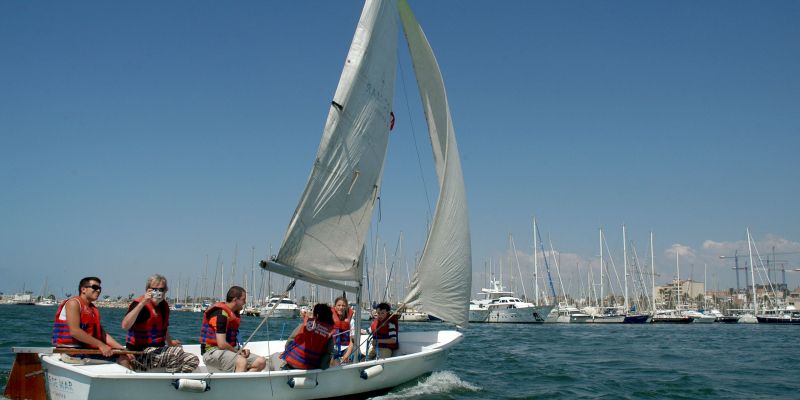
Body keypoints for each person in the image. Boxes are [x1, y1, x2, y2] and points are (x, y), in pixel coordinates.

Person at [121, 274, 199, 373]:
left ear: (166, 291)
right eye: (154, 289)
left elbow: (164, 328)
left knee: (193, 359)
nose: (158, 292)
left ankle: (176, 381)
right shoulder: (140, 306)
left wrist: (170, 343)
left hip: (158, 351)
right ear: (148, 290)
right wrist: (143, 303)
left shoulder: (163, 306)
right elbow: (125, 325)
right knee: (175, 353)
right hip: (140, 353)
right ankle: (172, 381)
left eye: (161, 289)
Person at [52, 277, 131, 368]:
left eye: (99, 289)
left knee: (125, 355)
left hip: (86, 350)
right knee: (123, 359)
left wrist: (122, 349)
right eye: (94, 287)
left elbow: (102, 334)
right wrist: (101, 345)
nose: (98, 291)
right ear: (83, 289)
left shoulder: (92, 309)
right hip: (71, 352)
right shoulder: (73, 303)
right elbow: (75, 331)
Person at [200, 286, 266, 372]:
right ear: (235, 300)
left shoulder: (232, 314)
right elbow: (222, 344)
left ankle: (242, 381)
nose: (245, 302)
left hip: (227, 351)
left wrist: (240, 351)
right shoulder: (220, 314)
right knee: (241, 361)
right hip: (211, 352)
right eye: (243, 299)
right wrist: (238, 352)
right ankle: (239, 383)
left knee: (260, 362)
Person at [281, 303, 335, 370]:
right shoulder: (329, 332)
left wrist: (287, 355)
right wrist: (323, 367)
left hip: (292, 365)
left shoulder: (304, 325)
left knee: (275, 357)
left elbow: (289, 341)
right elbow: (329, 352)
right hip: (312, 367)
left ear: (316, 315)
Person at [330, 296, 354, 366]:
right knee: (331, 361)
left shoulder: (351, 321)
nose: (341, 307)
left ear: (346, 307)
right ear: (335, 307)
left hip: (346, 347)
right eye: (339, 305)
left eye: (343, 305)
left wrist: (347, 354)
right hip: (333, 348)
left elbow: (352, 341)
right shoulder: (329, 320)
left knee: (354, 354)